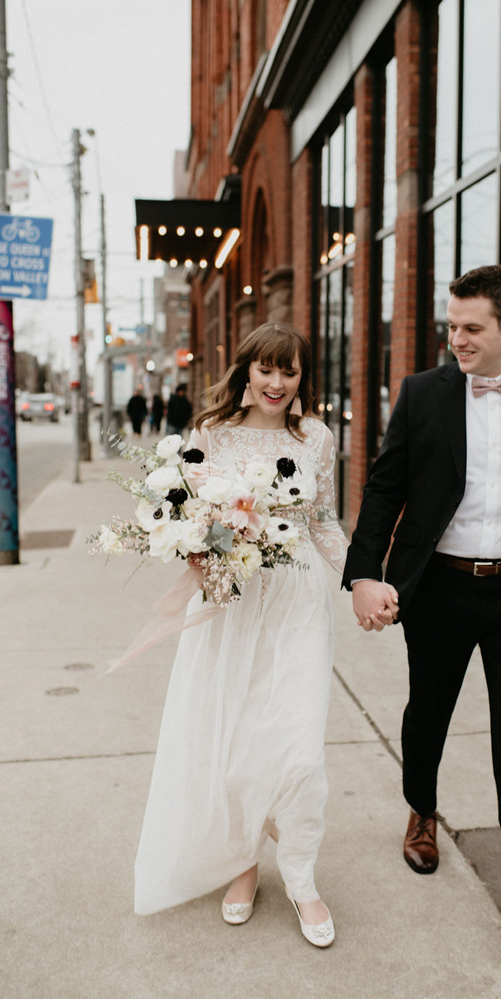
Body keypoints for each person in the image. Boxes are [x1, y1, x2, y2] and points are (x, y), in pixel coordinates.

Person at [342, 266, 501, 990]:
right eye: (451, 326)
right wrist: (365, 573)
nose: (456, 339)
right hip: (441, 589)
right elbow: (386, 484)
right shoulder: (424, 393)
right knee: (429, 715)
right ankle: (421, 807)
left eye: (471, 327)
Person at [134, 324, 348, 948]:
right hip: (231, 601)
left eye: (291, 372)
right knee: (229, 740)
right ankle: (242, 861)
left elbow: (325, 521)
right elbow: (190, 517)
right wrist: (200, 558)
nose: (278, 383)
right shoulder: (210, 434)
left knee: (300, 749)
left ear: (303, 378)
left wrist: (363, 579)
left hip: (299, 604)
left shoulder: (317, 438)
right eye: (267, 370)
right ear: (246, 370)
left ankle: (302, 878)